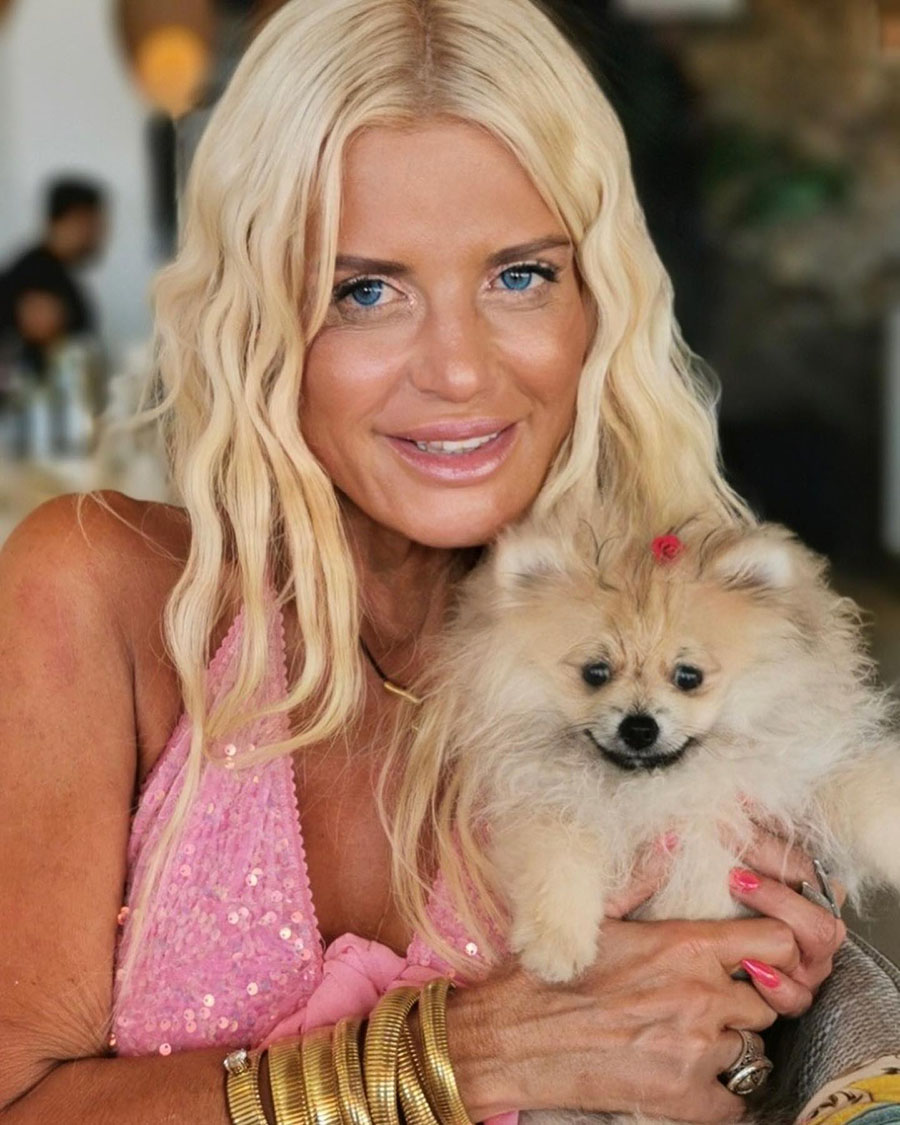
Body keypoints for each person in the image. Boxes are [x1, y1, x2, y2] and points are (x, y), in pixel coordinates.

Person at [0, 2, 849, 1123]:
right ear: (259, 320)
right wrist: (466, 1055)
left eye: (520, 276)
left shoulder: (696, 662)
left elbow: (729, 1043)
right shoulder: (100, 591)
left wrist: (755, 1045)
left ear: (599, 305)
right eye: (365, 290)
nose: (457, 370)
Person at [0, 176, 107, 376]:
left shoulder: (56, 271)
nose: (100, 235)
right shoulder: (33, 275)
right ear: (75, 220)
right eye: (94, 225)